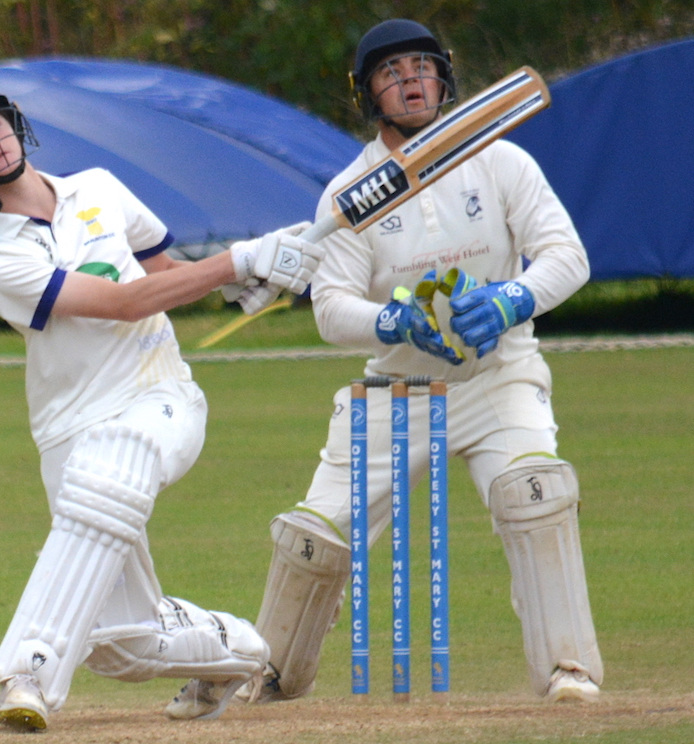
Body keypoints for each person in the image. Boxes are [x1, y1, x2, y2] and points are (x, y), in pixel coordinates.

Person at [165, 18, 603, 718]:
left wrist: (513, 297)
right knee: (312, 539)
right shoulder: (349, 193)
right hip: (396, 390)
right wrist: (391, 320)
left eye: (421, 67)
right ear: (368, 93)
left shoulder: (501, 163)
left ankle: (568, 667)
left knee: (535, 493)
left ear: (444, 77)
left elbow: (567, 256)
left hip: (499, 377)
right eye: (391, 72)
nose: (410, 81)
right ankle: (267, 670)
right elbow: (330, 307)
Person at [0, 86, 323, 731]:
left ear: (16, 127)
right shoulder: (2, 263)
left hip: (159, 398)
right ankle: (237, 648)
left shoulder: (100, 187)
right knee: (123, 645)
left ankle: (25, 675)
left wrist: (241, 281)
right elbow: (125, 302)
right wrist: (238, 260)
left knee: (113, 466)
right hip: (68, 432)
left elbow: (162, 273)